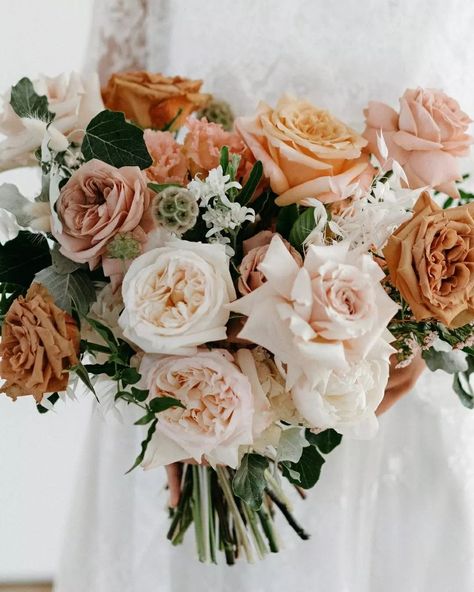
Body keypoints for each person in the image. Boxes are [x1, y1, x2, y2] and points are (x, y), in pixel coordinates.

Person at [55, 2, 474, 591]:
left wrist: (420, 324)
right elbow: (98, 148)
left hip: (395, 381)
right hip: (181, 353)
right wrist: (179, 386)